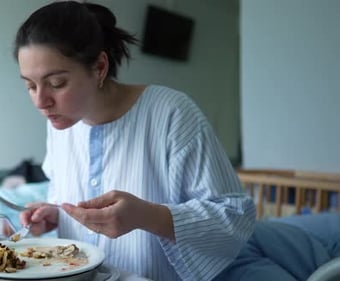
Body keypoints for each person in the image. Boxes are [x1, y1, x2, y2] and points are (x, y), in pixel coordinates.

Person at [13, 1, 256, 280]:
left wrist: (146, 216)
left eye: (56, 84)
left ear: (100, 67)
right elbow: (66, 199)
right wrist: (55, 215)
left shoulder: (170, 113)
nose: (41, 102)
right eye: (30, 86)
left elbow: (235, 218)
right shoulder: (58, 126)